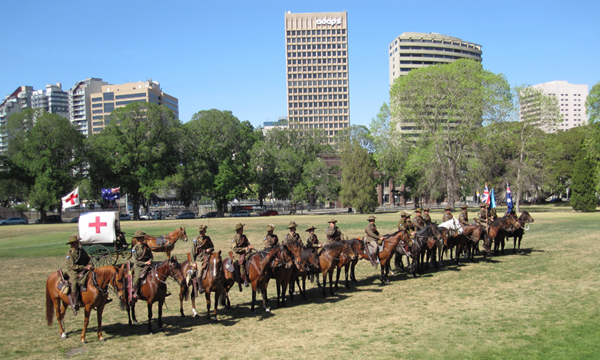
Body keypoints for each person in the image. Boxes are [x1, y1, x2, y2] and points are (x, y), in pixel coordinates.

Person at [65, 234, 93, 311]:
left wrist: (90, 264)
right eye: (76, 242)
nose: (78, 243)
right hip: (74, 271)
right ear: (72, 244)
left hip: (85, 269)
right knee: (74, 282)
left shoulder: (81, 251)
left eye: (78, 242)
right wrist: (85, 267)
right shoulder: (69, 253)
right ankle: (75, 302)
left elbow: (88, 258)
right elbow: (73, 266)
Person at [132, 230, 153, 299]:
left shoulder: (146, 246)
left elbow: (151, 256)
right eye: (142, 237)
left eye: (143, 237)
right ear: (138, 238)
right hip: (139, 266)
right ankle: (135, 292)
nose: (144, 238)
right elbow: (135, 261)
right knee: (137, 277)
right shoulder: (135, 248)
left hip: (147, 265)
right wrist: (144, 263)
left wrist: (150, 261)